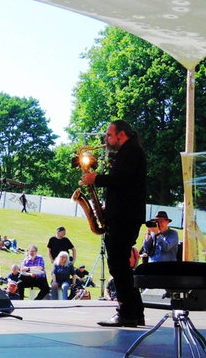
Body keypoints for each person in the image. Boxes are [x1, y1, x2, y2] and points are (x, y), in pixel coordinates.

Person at [81, 120, 146, 327]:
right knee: (121, 267)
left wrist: (96, 179)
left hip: (125, 217)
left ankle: (125, 312)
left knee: (117, 265)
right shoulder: (128, 152)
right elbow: (123, 184)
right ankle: (136, 312)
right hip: (123, 214)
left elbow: (122, 179)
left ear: (122, 135)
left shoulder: (131, 152)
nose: (106, 140)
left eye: (109, 135)